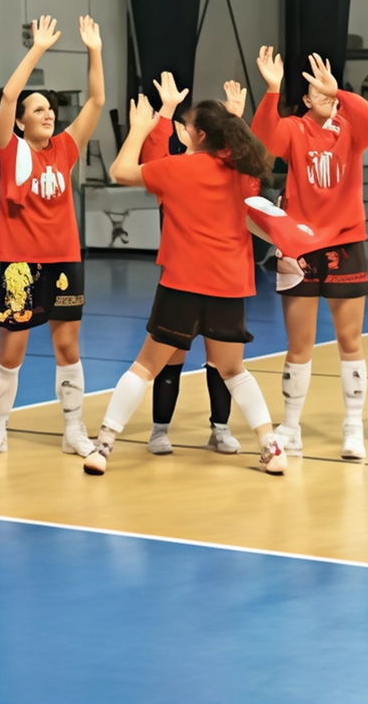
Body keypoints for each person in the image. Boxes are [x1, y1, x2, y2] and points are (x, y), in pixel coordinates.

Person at [82, 91, 286, 476]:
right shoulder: (244, 172)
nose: (184, 129)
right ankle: (271, 447)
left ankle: (103, 446)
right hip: (228, 286)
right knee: (234, 371)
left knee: (144, 366)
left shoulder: (176, 168)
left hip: (183, 284)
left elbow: (120, 171)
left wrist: (140, 130)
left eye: (188, 126)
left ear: (199, 135)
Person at [0, 15, 103, 460]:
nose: (48, 113)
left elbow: (97, 100)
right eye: (38, 110)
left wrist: (95, 50)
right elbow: (9, 94)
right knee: (12, 349)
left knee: (68, 346)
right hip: (20, 263)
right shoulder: (9, 152)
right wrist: (38, 50)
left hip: (64, 259)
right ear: (21, 122)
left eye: (50, 109)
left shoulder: (65, 150)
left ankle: (73, 429)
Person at [249, 49, 368, 460]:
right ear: (305, 99)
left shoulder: (352, 129)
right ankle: (291, 425)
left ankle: (353, 427)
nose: (324, 95)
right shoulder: (294, 129)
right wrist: (272, 89)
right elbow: (263, 138)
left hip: (345, 243)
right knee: (299, 344)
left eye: (329, 90)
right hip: (300, 246)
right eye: (316, 90)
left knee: (349, 339)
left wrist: (338, 88)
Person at [133, 74, 243, 457]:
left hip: (218, 277)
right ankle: (159, 430)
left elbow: (242, 161)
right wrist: (164, 112)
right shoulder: (174, 170)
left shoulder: (224, 169)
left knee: (220, 358)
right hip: (181, 275)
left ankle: (221, 427)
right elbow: (150, 158)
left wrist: (234, 118)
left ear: (198, 134)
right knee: (171, 356)